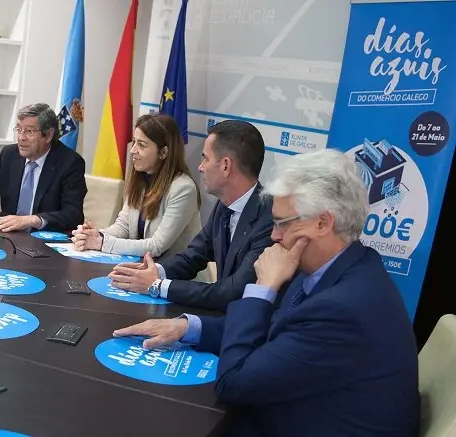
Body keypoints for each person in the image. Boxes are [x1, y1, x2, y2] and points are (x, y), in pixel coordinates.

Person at [114, 149, 420, 437]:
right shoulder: (339, 266)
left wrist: (263, 288)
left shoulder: (344, 308)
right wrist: (188, 326)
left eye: (282, 224)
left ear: (323, 223)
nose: (274, 235)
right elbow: (273, 328)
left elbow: (234, 383)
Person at [107, 120, 273, 310]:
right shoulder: (224, 206)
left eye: (206, 159)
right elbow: (193, 255)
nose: (201, 167)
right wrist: (154, 272)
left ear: (225, 166)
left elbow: (232, 292)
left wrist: (157, 285)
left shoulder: (268, 218)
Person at [71, 113, 201, 259]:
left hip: (175, 277)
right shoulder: (142, 178)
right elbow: (123, 227)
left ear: (164, 152)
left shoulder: (183, 189)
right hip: (141, 269)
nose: (133, 150)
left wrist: (101, 243)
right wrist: (95, 234)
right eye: (134, 142)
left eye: (142, 145)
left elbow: (156, 246)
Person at [0, 103, 87, 233]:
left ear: (49, 135)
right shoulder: (10, 154)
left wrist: (33, 220)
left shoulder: (70, 163)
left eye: (29, 131)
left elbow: (73, 215)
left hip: (43, 240)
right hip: (7, 235)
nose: (21, 137)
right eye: (19, 129)